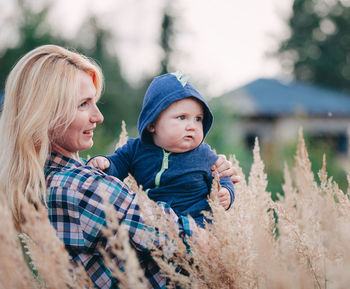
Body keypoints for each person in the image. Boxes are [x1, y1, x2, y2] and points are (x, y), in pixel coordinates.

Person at [0, 45, 237, 289]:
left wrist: (213, 176)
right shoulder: (81, 188)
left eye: (95, 102)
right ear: (46, 114)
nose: (98, 116)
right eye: (83, 104)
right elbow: (193, 240)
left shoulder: (47, 179)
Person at [88, 72, 235, 227]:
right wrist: (105, 163)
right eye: (182, 117)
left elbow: (222, 177)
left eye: (198, 119)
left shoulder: (204, 154)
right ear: (152, 123)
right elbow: (117, 164)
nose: (192, 126)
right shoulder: (136, 149)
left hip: (195, 227)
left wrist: (226, 192)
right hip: (151, 225)